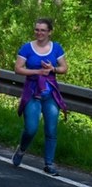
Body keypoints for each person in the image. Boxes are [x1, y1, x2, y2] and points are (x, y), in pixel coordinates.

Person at [12, 18, 69, 176]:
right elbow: (18, 68)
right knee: (31, 128)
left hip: (50, 93)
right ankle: (21, 149)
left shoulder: (56, 48)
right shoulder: (27, 48)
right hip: (32, 91)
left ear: (50, 32)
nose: (39, 33)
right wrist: (37, 72)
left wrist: (53, 69)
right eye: (37, 29)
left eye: (43, 30)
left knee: (51, 129)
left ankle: (49, 163)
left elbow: (64, 68)